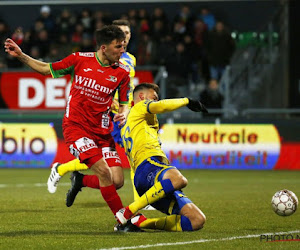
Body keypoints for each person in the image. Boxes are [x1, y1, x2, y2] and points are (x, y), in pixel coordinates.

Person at [4, 25, 130, 221]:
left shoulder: (122, 73)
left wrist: (124, 112)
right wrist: (21, 55)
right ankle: (124, 220)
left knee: (117, 181)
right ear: (104, 48)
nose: (123, 51)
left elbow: (124, 103)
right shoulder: (79, 59)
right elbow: (46, 69)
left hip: (103, 132)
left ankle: (80, 179)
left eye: (123, 46)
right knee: (104, 173)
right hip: (76, 127)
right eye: (118, 47)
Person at [46, 20, 143, 210]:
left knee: (118, 174)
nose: (125, 36)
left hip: (115, 116)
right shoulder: (96, 58)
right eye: (121, 33)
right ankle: (135, 206)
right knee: (109, 163)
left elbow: (125, 90)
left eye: (128, 33)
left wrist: (125, 109)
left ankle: (76, 177)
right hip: (99, 117)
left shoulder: (130, 59)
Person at [115, 83, 207, 231]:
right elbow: (162, 107)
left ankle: (140, 222)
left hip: (147, 182)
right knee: (178, 179)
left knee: (196, 220)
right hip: (149, 166)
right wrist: (187, 101)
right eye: (154, 97)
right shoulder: (139, 107)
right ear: (142, 96)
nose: (156, 101)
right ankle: (128, 211)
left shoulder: (131, 124)